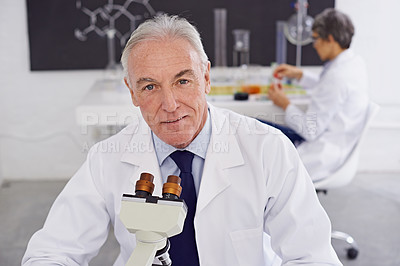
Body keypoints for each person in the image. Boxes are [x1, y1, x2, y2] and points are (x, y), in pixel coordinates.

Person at [22, 14, 342, 266]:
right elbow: (51, 253)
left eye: (183, 80)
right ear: (131, 92)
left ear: (205, 78)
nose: (171, 104)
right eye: (149, 87)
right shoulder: (106, 158)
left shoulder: (268, 149)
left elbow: (313, 256)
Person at [265, 8, 369, 181]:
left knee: (254, 129)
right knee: (259, 128)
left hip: (321, 152)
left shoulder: (338, 76)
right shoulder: (353, 63)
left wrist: (284, 104)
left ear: (330, 39)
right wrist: (300, 75)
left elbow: (309, 130)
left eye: (315, 38)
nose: (314, 44)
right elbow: (328, 87)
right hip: (332, 140)